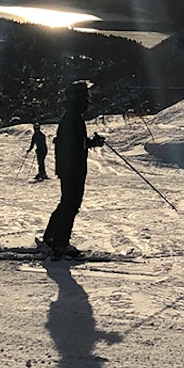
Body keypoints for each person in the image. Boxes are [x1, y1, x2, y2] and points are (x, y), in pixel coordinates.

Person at [41, 82, 105, 257]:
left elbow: (75, 144)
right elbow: (71, 146)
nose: (87, 102)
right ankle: (60, 244)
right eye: (85, 98)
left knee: (66, 203)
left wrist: (91, 142)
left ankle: (51, 237)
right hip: (72, 169)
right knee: (71, 205)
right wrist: (90, 143)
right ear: (77, 100)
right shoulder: (72, 119)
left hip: (69, 168)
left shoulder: (72, 117)